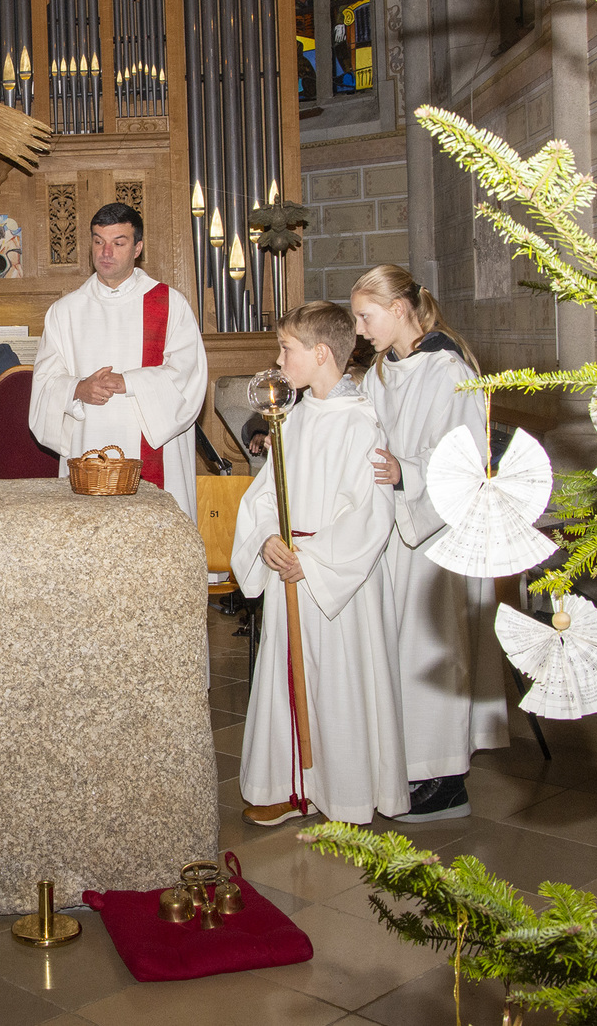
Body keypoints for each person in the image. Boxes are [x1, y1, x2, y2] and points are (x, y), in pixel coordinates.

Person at [237, 302, 406, 828]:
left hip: (333, 576)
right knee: (286, 676)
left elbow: (371, 514)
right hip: (289, 564)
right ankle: (289, 786)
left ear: (321, 353)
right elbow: (266, 493)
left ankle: (344, 790)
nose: (278, 359)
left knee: (337, 681)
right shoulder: (292, 416)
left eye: (286, 348)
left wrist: (309, 559)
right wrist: (266, 538)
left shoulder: (360, 423)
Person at [352, 264, 508, 823]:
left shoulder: (448, 371)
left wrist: (406, 472)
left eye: (365, 317)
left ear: (398, 310)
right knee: (402, 651)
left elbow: (465, 461)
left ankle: (444, 781)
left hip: (439, 534)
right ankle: (409, 766)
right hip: (398, 528)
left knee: (432, 653)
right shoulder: (381, 372)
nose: (359, 330)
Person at [29, 203, 208, 518]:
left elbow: (189, 376)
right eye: (98, 241)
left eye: (118, 243)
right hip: (88, 446)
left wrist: (130, 382)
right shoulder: (65, 311)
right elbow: (45, 383)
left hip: (154, 451)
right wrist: (77, 389)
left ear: (138, 248)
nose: (106, 252)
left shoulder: (170, 304)